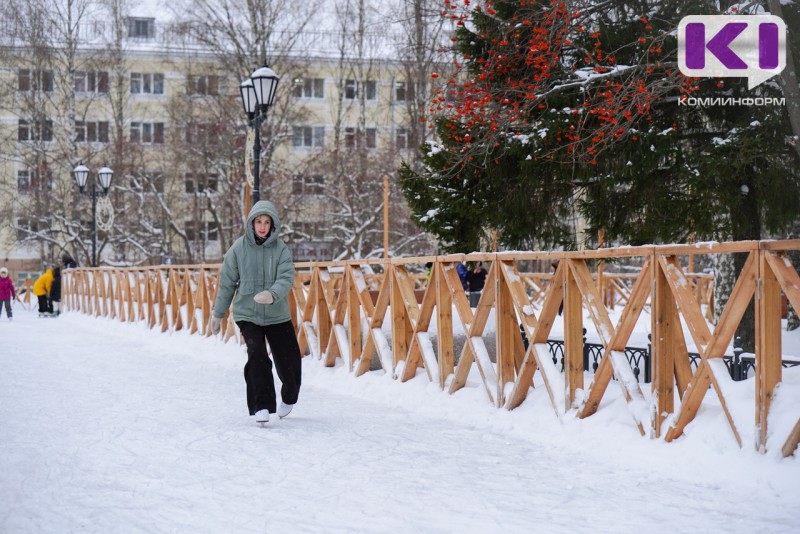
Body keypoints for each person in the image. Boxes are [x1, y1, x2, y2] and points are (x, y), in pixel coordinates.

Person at [211, 200, 302, 424]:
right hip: (248, 313)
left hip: (276, 313)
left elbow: (286, 277)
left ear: (273, 225)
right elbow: (227, 284)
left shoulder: (281, 249)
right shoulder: (238, 249)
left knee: (290, 361)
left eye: (266, 222)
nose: (262, 226)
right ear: (251, 223)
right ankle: (261, 405)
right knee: (257, 354)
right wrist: (218, 313)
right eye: (258, 221)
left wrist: (272, 294)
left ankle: (289, 397)